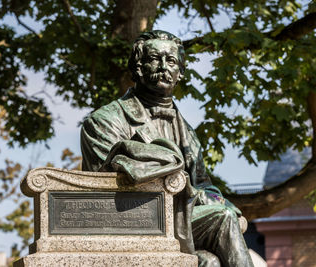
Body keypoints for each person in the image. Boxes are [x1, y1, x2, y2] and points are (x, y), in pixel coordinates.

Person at [80, 30, 254, 267]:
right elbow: (109, 185)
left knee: (209, 261)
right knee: (222, 220)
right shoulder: (105, 120)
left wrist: (224, 204)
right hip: (129, 217)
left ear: (180, 72)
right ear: (138, 68)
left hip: (177, 221)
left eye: (171, 61)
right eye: (154, 59)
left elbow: (204, 184)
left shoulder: (187, 131)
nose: (163, 66)